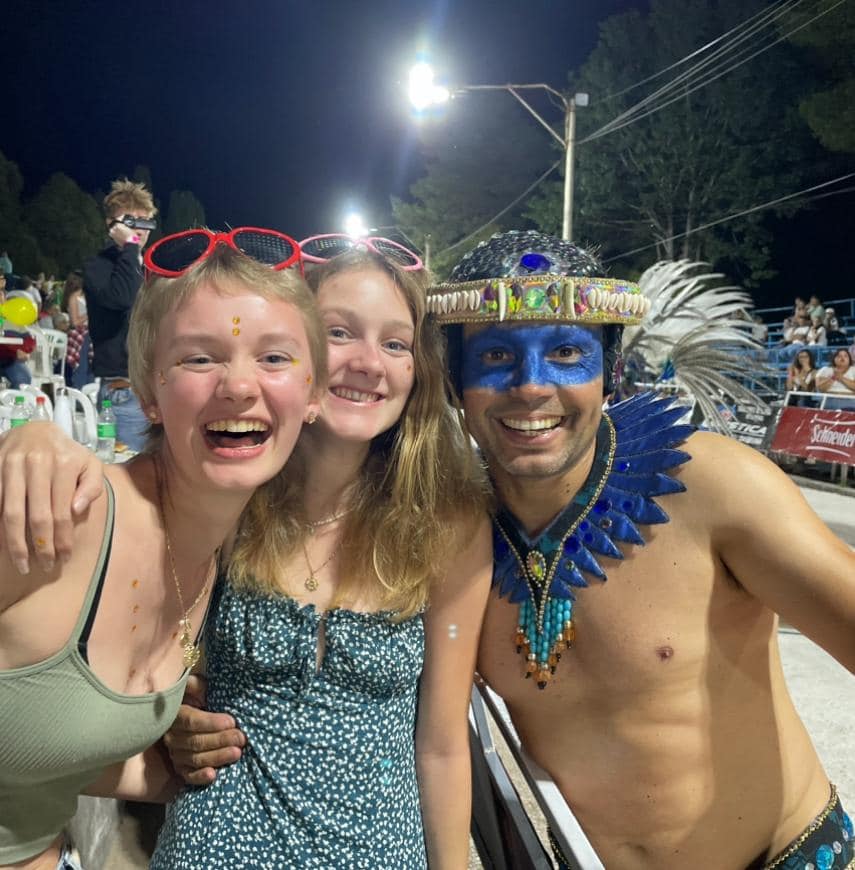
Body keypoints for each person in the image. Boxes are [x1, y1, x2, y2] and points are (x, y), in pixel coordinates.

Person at [0, 234, 493, 868]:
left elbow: (444, 742)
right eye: (341, 332)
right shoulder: (228, 497)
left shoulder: (444, 521)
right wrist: (34, 439)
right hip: (213, 846)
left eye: (396, 343)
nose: (370, 362)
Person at [0, 227, 325, 869]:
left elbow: (41, 749)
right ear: (148, 391)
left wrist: (182, 768)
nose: (238, 385)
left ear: (313, 395)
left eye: (275, 357)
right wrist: (29, 436)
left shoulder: (217, 562)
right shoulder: (57, 517)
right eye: (199, 358)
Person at [83, 178, 158, 451]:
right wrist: (130, 247)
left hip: (157, 387)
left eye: (145, 221)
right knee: (139, 477)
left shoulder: (149, 268)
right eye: (130, 221)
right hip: (124, 389)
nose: (138, 228)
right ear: (112, 226)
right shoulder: (98, 265)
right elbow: (121, 297)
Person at [61, 270, 92, 387]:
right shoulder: (74, 298)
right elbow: (74, 322)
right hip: (81, 334)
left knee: (92, 368)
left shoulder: (87, 295)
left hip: (92, 333)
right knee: (82, 368)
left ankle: (90, 393)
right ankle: (79, 397)